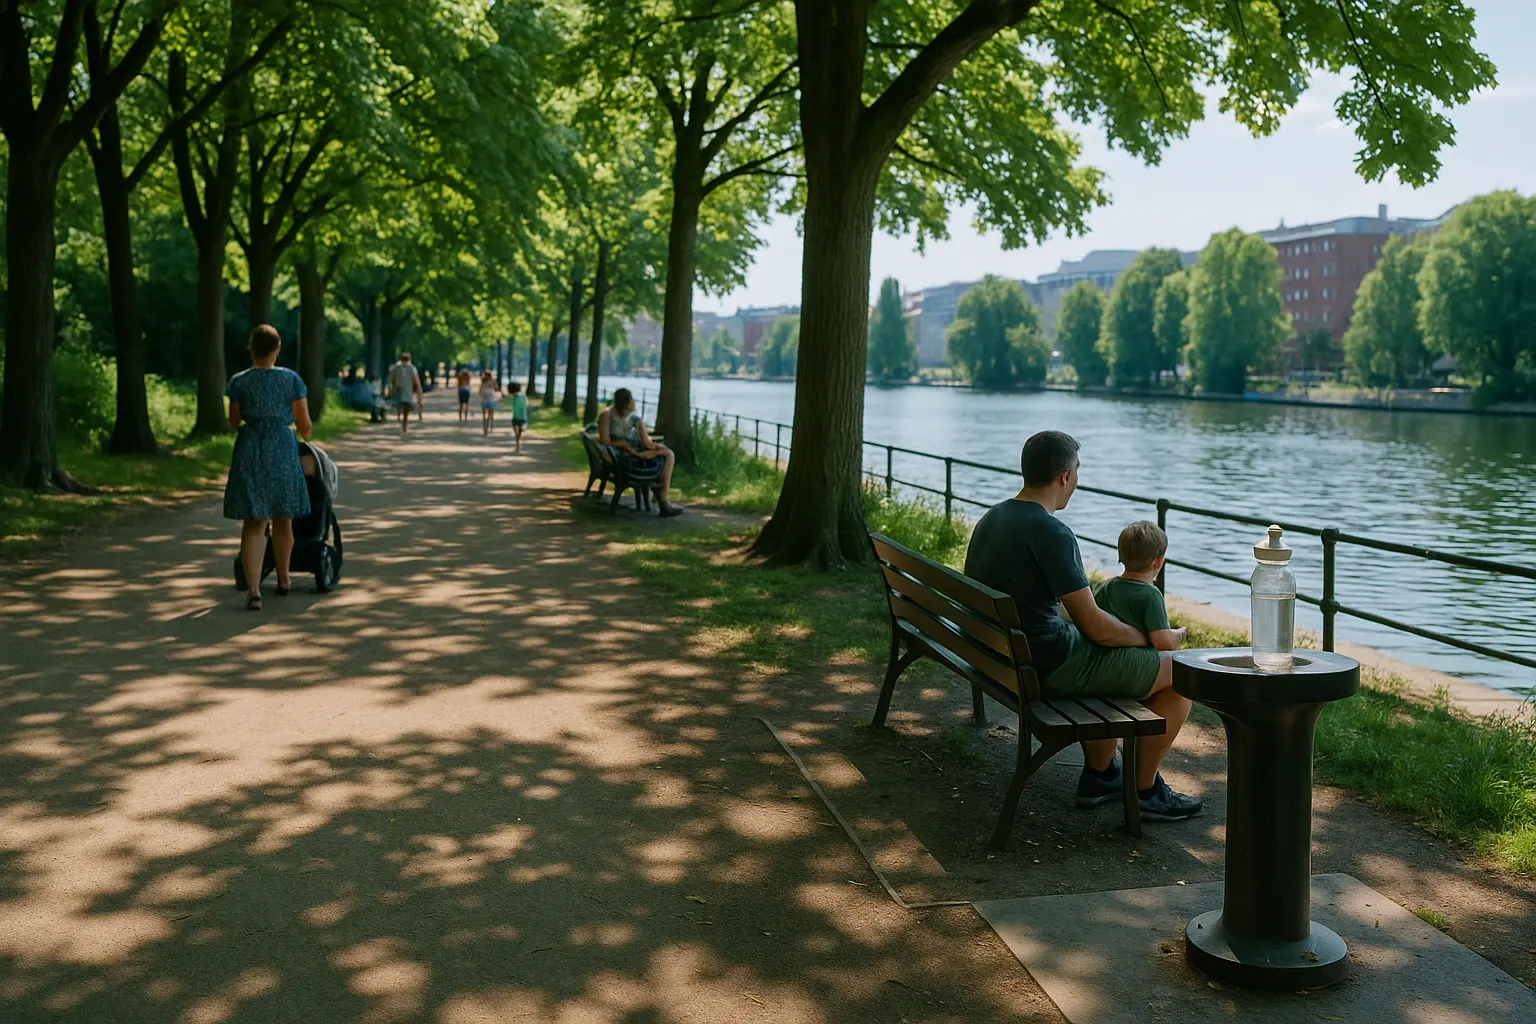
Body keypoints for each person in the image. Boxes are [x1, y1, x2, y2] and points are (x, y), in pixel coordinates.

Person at [963, 430, 1201, 821]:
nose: (1076, 480)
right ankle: (1144, 791)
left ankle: (1102, 775)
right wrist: (1143, 638)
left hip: (1000, 657)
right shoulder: (1052, 532)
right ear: (1065, 476)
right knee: (1181, 670)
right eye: (1077, 471)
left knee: (1122, 656)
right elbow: (1098, 628)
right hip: (1049, 667)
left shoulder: (993, 517)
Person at [224, 325, 312, 611]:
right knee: (283, 517)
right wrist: (304, 433)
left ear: (251, 348)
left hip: (250, 449)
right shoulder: (291, 380)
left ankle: (253, 591)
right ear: (278, 347)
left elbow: (233, 422)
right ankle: (284, 579)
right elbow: (304, 424)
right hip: (282, 448)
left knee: (254, 521)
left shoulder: (239, 381)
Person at [1094, 522, 1187, 652]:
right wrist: (1180, 634)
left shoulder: (1103, 587)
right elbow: (1163, 642)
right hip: (1134, 659)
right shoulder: (1151, 596)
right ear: (1158, 562)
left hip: (1099, 655)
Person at [597, 387, 683, 518]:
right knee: (665, 457)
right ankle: (663, 500)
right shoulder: (609, 415)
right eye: (632, 400)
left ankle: (663, 499)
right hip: (622, 460)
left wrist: (656, 448)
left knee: (666, 455)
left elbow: (647, 444)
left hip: (627, 457)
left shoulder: (633, 418)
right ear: (627, 404)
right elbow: (605, 441)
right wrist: (627, 447)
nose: (634, 402)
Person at [386, 352, 422, 434]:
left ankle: (399, 415)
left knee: (399, 403)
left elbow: (392, 378)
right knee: (406, 406)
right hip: (408, 390)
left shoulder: (396, 367)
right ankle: (404, 422)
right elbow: (416, 380)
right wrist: (418, 389)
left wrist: (392, 387)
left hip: (398, 388)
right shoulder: (412, 367)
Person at [478, 370, 502, 436]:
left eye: (486, 375)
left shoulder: (493, 382)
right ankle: (485, 429)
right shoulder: (483, 382)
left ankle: (489, 427)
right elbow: (480, 391)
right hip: (485, 400)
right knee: (485, 416)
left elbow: (497, 389)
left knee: (490, 415)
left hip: (491, 400)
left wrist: (491, 387)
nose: (485, 376)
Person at [508, 381, 528, 452]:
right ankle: (518, 444)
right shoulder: (515, 397)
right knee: (517, 433)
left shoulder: (522, 396)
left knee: (519, 432)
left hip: (522, 418)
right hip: (516, 417)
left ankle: (518, 444)